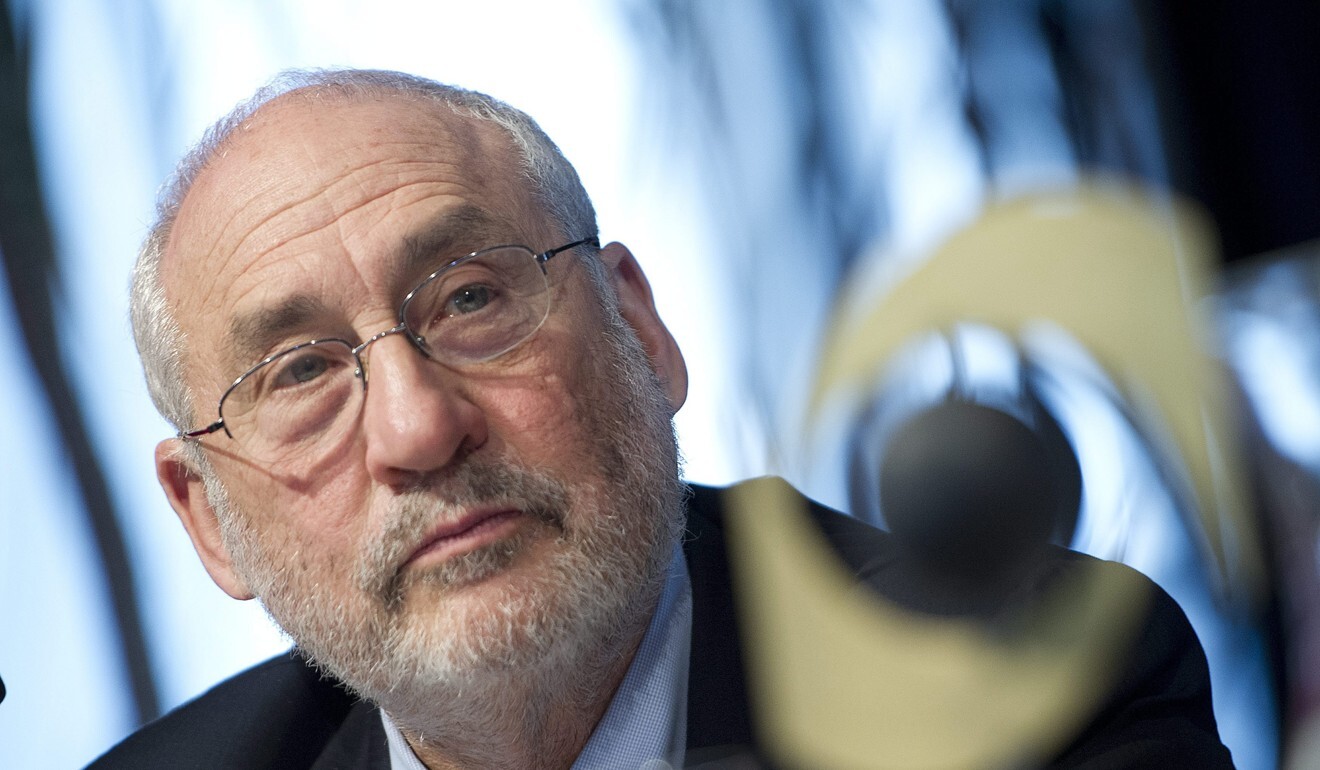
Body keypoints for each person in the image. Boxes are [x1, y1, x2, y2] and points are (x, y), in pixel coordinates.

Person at [91, 68, 1232, 769]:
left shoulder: (1026, 703)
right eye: (297, 374)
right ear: (207, 517)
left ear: (638, 329)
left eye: (474, 298)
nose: (416, 427)